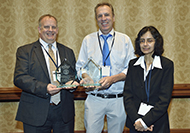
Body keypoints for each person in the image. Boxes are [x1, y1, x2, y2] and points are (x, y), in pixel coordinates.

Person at [76, 2, 136, 133]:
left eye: (107, 15)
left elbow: (131, 69)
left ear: (113, 17)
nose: (103, 19)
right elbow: (80, 67)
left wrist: (113, 78)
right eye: (100, 16)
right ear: (96, 19)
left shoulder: (124, 40)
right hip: (94, 98)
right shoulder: (88, 40)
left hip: (118, 99)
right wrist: (86, 77)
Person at [13, 14, 79, 133]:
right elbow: (20, 78)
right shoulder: (25, 51)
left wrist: (74, 82)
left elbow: (74, 76)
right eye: (46, 27)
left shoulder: (68, 51)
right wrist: (45, 88)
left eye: (53, 27)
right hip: (35, 111)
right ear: (39, 29)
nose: (50, 30)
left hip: (64, 112)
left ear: (57, 30)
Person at [123, 26, 174, 133]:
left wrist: (145, 122)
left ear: (156, 42)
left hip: (157, 124)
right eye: (142, 41)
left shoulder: (166, 65)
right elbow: (128, 96)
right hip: (135, 123)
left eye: (149, 41)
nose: (145, 44)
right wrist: (138, 121)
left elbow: (164, 101)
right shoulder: (133, 65)